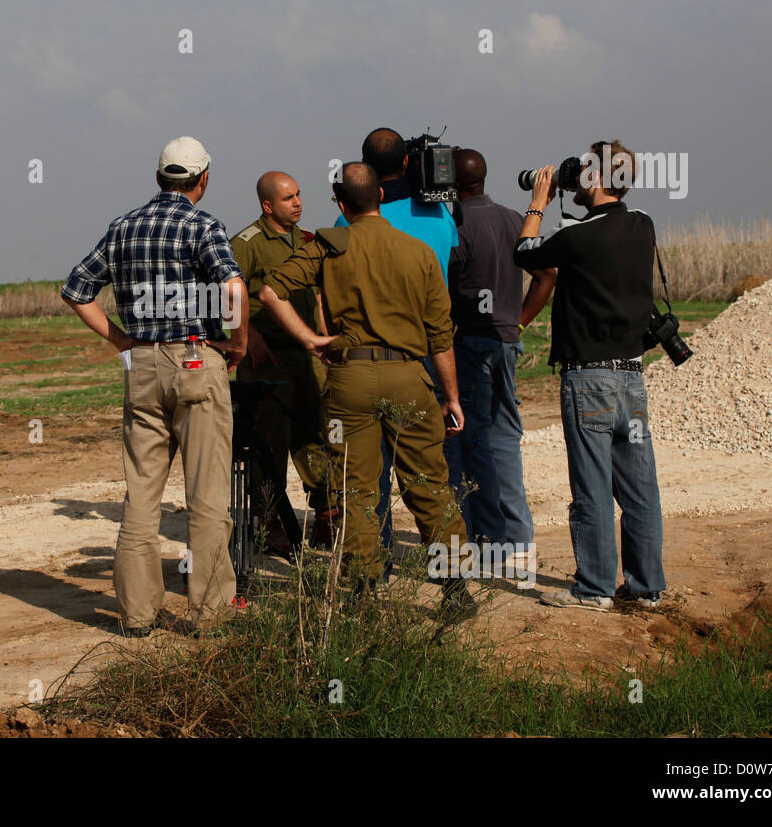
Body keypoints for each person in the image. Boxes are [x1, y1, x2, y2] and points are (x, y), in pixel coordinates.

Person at [259, 161, 476, 619]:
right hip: (409, 378)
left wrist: (309, 339)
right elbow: (440, 337)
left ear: (341, 205)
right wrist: (451, 397)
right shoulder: (418, 251)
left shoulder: (328, 245)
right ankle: (456, 590)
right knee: (427, 484)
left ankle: (362, 594)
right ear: (380, 196)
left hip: (348, 380)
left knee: (354, 491)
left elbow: (270, 292)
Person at [61, 136, 248, 637]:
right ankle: (210, 615)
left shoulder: (122, 227)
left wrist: (122, 341)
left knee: (141, 495)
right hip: (195, 358)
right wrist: (238, 342)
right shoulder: (203, 225)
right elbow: (233, 287)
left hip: (141, 365)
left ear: (159, 178)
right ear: (203, 179)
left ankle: (137, 616)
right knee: (207, 496)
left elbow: (77, 290)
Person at [513, 140, 667, 611]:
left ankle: (594, 588)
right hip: (633, 377)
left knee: (593, 489)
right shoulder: (643, 225)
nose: (575, 177)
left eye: (582, 171)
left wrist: (538, 201)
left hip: (589, 381)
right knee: (639, 488)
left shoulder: (577, 236)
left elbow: (526, 252)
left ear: (597, 180)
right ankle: (646, 588)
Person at [334, 128, 460, 575]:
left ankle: (372, 572)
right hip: (419, 359)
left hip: (355, 365)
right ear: (408, 163)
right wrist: (452, 395)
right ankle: (454, 581)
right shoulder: (439, 215)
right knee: (429, 479)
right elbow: (444, 315)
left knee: (363, 480)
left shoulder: (342, 231)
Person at [446, 148, 555, 560]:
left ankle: (483, 539)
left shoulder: (454, 226)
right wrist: (519, 323)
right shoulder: (515, 219)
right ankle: (516, 538)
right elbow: (547, 276)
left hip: (470, 342)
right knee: (505, 437)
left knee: (469, 439)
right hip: (506, 342)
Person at [230, 172, 336, 556]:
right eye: (288, 197)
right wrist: (250, 341)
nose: (298, 202)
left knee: (313, 436)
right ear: (267, 205)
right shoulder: (247, 244)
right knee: (267, 444)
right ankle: (268, 521)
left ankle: (325, 514)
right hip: (267, 360)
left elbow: (316, 296)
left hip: (303, 358)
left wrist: (323, 335)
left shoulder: (306, 240)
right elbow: (227, 294)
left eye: (299, 194)